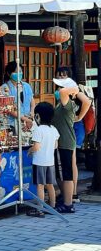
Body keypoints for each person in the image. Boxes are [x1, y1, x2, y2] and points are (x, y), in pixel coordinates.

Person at [52, 75, 89, 213]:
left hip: (64, 142)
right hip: (65, 142)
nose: (59, 90)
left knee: (65, 173)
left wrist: (75, 89)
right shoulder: (66, 104)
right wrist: (79, 117)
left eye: (61, 87)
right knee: (61, 173)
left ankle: (68, 204)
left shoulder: (67, 103)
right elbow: (86, 101)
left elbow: (86, 100)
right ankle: (66, 197)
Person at [28, 102, 59, 217]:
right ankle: (52, 207)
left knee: (40, 186)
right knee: (50, 185)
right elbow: (56, 145)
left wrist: (30, 150)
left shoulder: (39, 130)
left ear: (38, 116)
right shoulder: (53, 129)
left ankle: (39, 209)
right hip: (50, 162)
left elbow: (36, 147)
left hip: (39, 162)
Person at [0, 60, 34, 130]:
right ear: (9, 74)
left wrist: (32, 113)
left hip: (28, 122)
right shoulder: (5, 88)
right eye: (16, 72)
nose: (19, 73)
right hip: (12, 124)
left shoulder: (26, 86)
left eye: (20, 71)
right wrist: (24, 119)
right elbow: (9, 109)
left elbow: (32, 101)